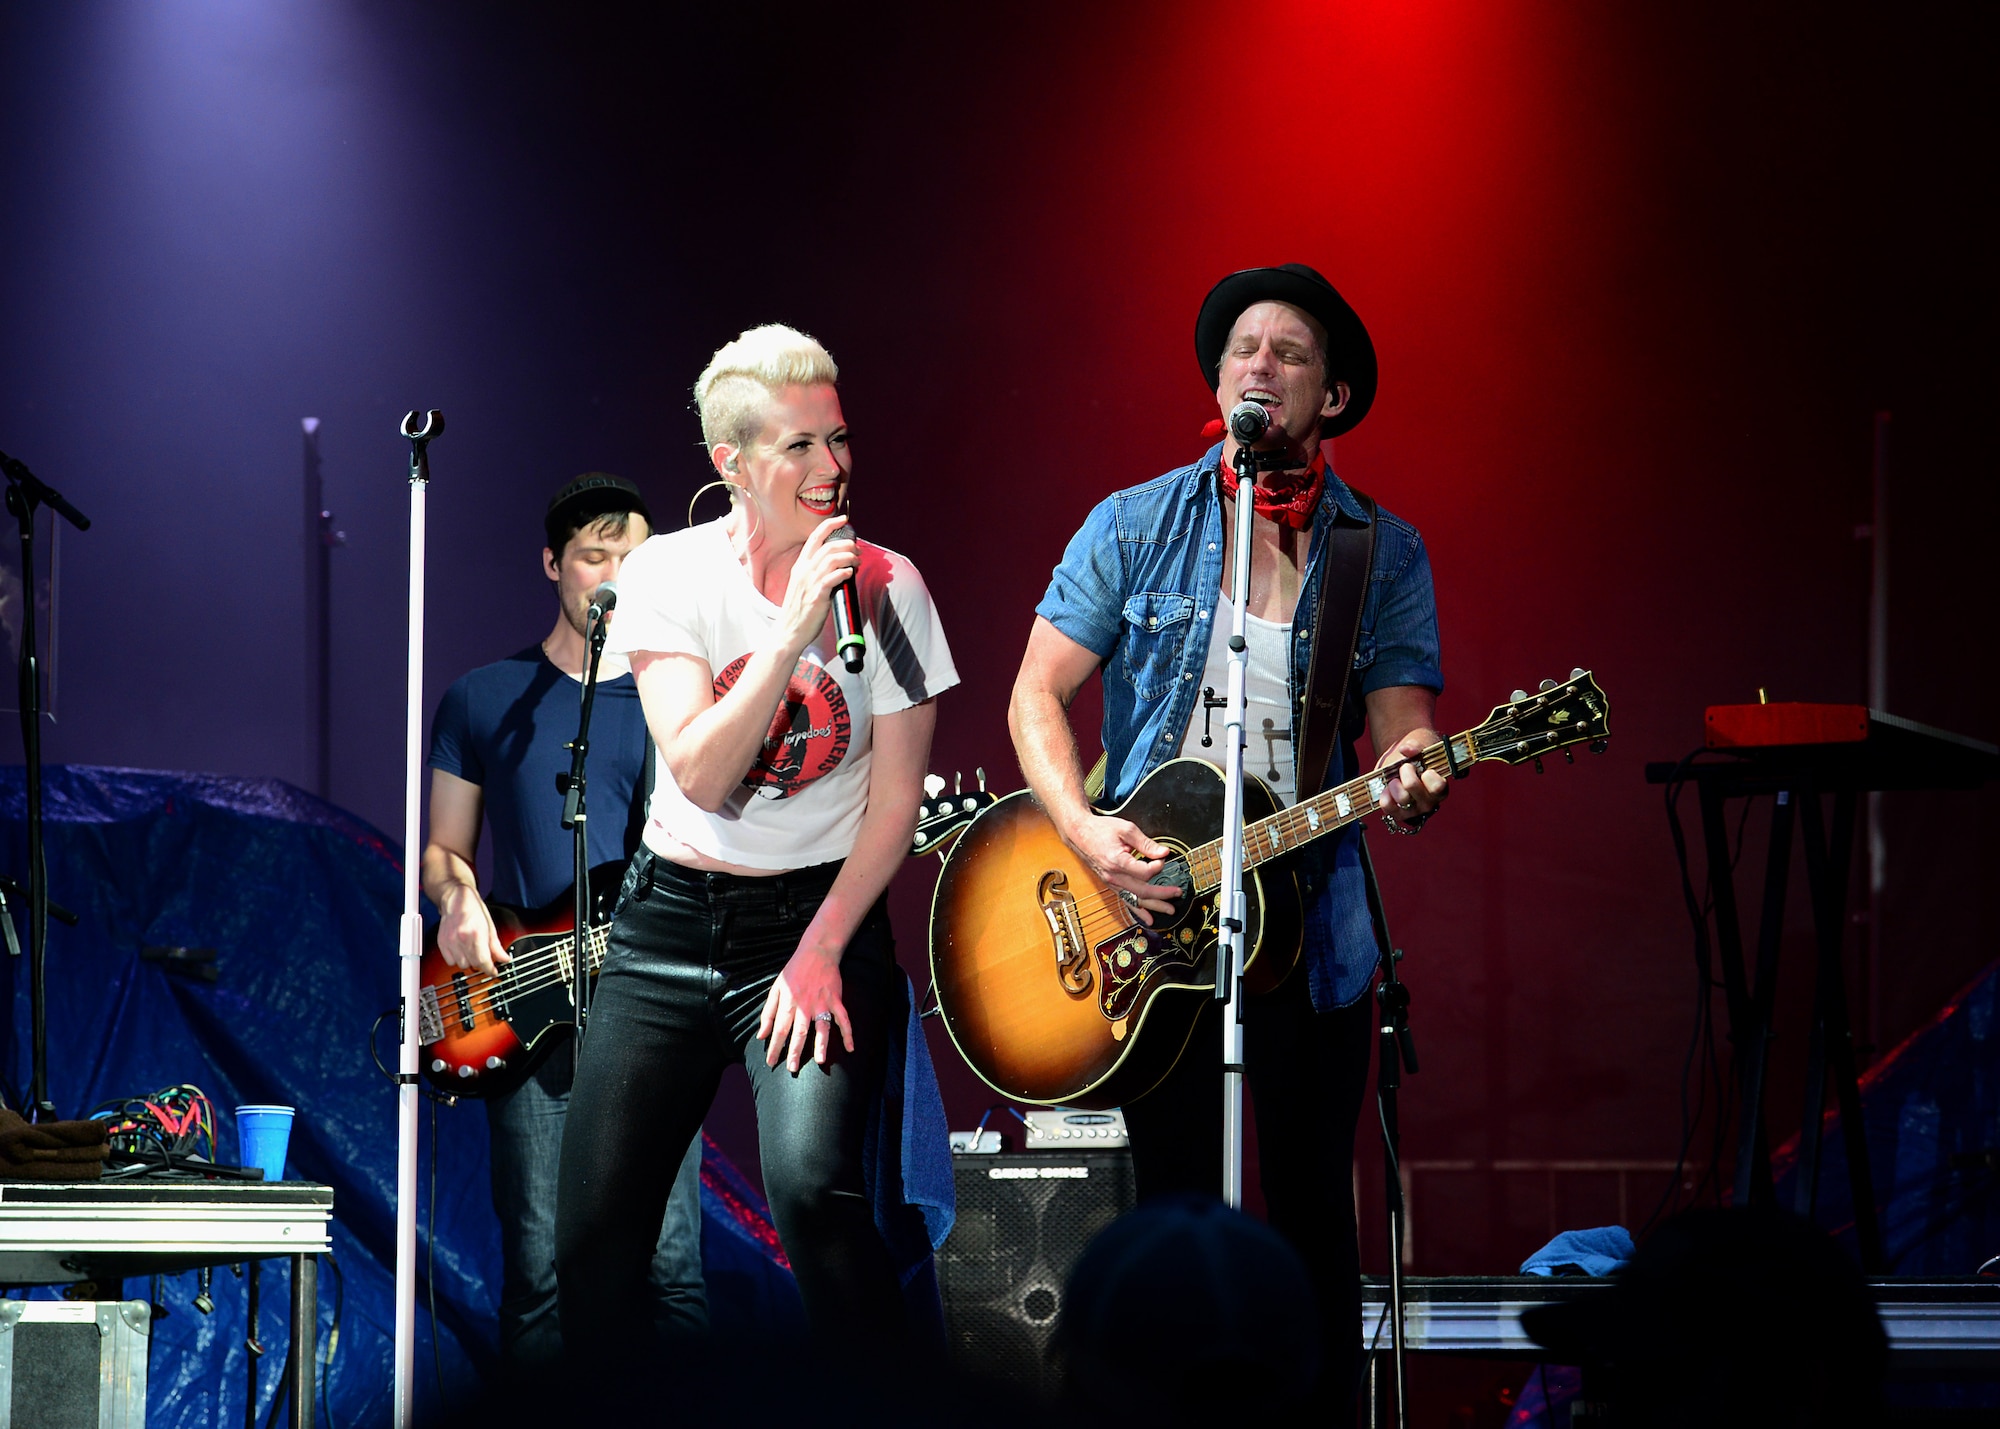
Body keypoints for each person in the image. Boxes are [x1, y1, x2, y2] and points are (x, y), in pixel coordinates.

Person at [1008, 264, 1447, 1403]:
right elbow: (1033, 695)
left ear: (1332, 396)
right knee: (1168, 1215)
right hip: (1149, 912)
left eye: (1288, 352)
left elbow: (1405, 724)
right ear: (1216, 380)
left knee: (1308, 1215)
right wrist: (1084, 827)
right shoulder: (1134, 521)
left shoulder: (1378, 552)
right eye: (1241, 347)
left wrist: (1417, 771)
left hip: (1309, 922)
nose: (1259, 363)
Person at [554, 324, 958, 1358]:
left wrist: (821, 950)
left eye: (837, 439)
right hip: (665, 925)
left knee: (816, 1201)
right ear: (730, 465)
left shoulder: (890, 588)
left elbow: (897, 802)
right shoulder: (666, 575)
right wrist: (786, 634)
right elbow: (696, 768)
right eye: (799, 447)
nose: (831, 468)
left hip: (816, 918)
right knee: (595, 1241)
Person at [423, 474, 707, 1367]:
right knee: (540, 1275)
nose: (616, 574)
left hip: (656, 1013)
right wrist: (459, 899)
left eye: (634, 557)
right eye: (595, 555)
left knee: (671, 1273)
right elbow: (443, 852)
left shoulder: (687, 708)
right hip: (530, 1007)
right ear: (553, 564)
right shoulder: (483, 699)